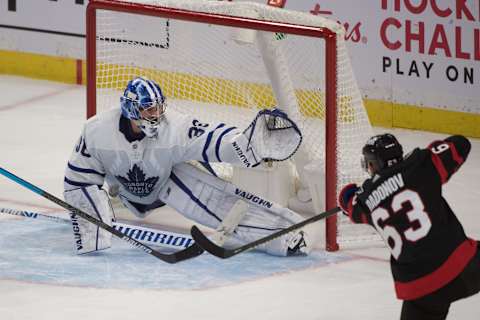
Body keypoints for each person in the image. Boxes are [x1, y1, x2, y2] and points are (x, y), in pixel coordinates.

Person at [63, 76, 309, 257]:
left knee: (218, 202)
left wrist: (244, 144)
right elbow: (78, 178)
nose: (157, 114)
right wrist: (91, 227)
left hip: (167, 181)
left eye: (159, 107)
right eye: (149, 109)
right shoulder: (97, 131)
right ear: (131, 109)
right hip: (124, 193)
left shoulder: (174, 128)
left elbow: (210, 137)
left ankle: (285, 234)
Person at [338, 133, 480, 320]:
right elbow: (461, 144)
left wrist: (358, 192)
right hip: (464, 267)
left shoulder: (365, 201)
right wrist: (426, 155)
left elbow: (346, 200)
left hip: (421, 289)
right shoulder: (422, 165)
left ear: (373, 164)